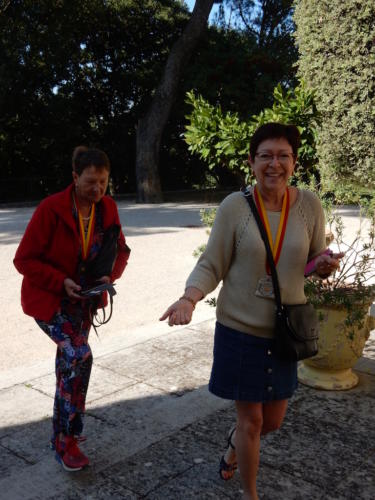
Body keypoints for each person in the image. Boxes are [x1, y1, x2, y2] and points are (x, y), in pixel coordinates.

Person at [160, 123, 342, 499]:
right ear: (251, 162)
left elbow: (311, 259)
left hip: (284, 333)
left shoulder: (309, 205)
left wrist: (322, 265)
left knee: (271, 422)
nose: (274, 164)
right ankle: (250, 493)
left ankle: (232, 447)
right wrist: (189, 298)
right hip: (240, 330)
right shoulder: (235, 208)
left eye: (283, 156)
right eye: (266, 156)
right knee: (252, 420)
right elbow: (212, 262)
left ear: (294, 162)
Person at [13, 146, 130, 472]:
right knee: (79, 356)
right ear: (75, 177)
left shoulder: (107, 207)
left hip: (85, 303)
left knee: (70, 364)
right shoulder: (50, 209)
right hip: (50, 300)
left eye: (103, 182)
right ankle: (67, 437)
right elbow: (23, 260)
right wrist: (60, 280)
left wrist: (110, 276)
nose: (98, 190)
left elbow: (121, 250)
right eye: (91, 182)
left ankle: (62, 434)